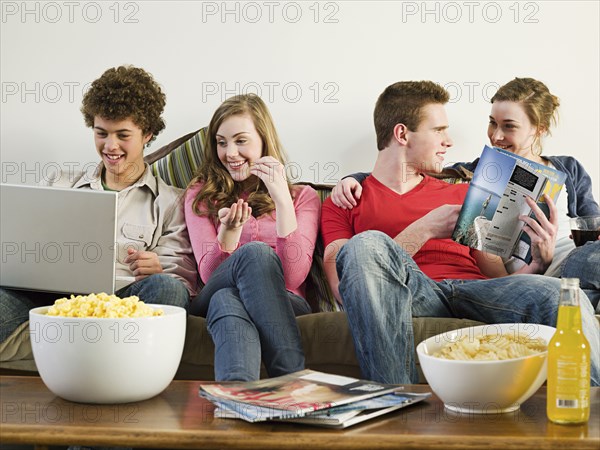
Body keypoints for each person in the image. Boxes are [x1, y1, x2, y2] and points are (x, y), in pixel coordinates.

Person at [320, 80, 600, 386]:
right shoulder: (344, 202)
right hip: (415, 292)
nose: (449, 141)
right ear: (402, 134)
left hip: (474, 293)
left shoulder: (469, 192)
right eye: (439, 130)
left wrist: (536, 267)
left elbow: (495, 276)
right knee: (365, 244)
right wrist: (425, 228)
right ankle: (395, 400)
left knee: (560, 296)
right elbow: (342, 286)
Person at [0, 65, 198, 344]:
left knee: (168, 289)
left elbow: (179, 277)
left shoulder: (171, 202)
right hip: (53, 300)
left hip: (123, 303)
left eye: (123, 135)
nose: (110, 146)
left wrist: (158, 268)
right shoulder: (59, 182)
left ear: (148, 134)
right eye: (101, 133)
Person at [184, 94, 320, 382]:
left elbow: (294, 278)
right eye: (221, 142)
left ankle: (237, 401)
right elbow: (209, 275)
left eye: (240, 140)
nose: (230, 152)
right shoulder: (201, 195)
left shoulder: (303, 197)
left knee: (227, 299)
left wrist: (282, 199)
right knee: (252, 257)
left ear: (263, 139)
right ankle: (292, 380)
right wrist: (229, 233)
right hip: (210, 292)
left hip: (285, 301)